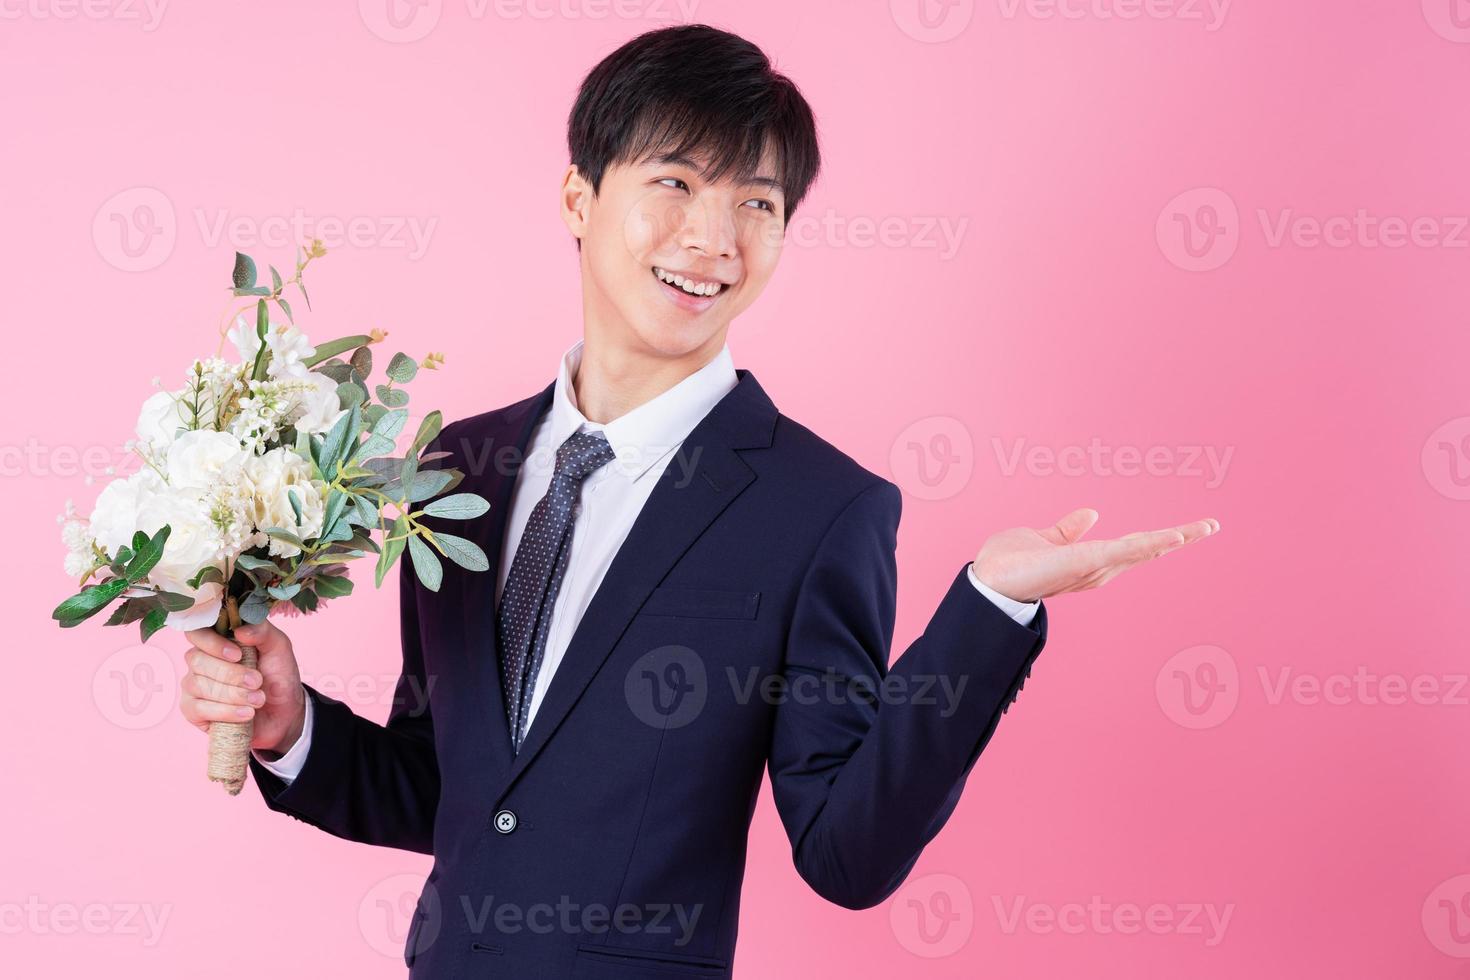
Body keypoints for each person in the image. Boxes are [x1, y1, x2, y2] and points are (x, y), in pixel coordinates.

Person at [179, 23, 1217, 978]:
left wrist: (989, 607)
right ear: (579, 199)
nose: (715, 239)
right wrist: (289, 726)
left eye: (756, 204)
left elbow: (848, 850)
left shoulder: (821, 510)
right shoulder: (457, 468)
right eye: (675, 181)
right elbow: (459, 788)